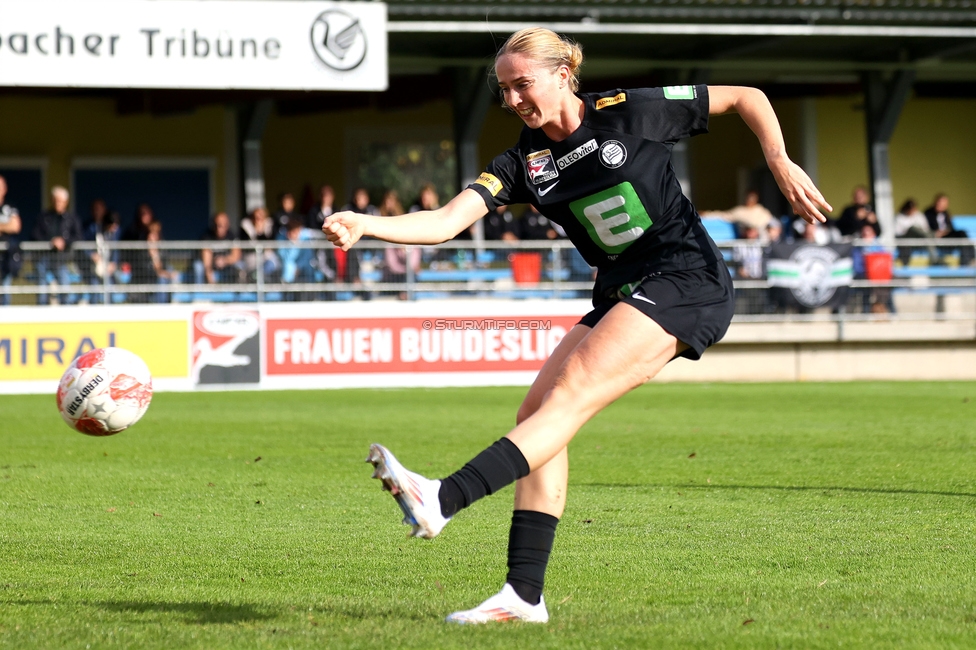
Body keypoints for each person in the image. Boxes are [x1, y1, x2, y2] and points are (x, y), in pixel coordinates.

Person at [323, 27, 829, 624]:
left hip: (686, 280)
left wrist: (778, 158)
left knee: (567, 398)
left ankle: (443, 497)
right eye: (504, 90)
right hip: (622, 290)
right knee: (538, 413)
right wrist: (366, 224)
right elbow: (444, 221)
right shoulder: (522, 163)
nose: (512, 100)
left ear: (564, 74)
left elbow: (747, 96)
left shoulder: (632, 110)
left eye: (522, 84)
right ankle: (523, 595)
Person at [33, 185, 84, 305]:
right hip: (44, 258)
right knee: (42, 290)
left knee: (64, 288)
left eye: (61, 201)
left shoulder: (71, 219)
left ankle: (66, 314)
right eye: (56, 200)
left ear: (66, 202)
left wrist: (64, 241)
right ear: (51, 200)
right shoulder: (43, 217)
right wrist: (51, 241)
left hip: (62, 260)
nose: (58, 203)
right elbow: (35, 235)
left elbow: (78, 236)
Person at [196, 212, 241, 285]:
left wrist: (224, 260)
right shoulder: (207, 237)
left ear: (227, 225)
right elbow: (206, 261)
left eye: (223, 225)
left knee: (240, 265)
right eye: (217, 225)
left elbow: (236, 255)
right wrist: (212, 283)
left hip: (226, 264)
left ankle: (239, 292)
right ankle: (199, 293)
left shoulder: (232, 236)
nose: (219, 228)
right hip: (211, 264)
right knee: (198, 267)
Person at [239, 206, 281, 283]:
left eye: (261, 217)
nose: (258, 220)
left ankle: (257, 276)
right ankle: (255, 277)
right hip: (251, 257)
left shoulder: (270, 226)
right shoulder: (246, 227)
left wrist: (262, 230)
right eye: (256, 217)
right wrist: (256, 231)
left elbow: (271, 244)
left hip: (266, 257)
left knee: (272, 263)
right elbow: (248, 246)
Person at [704, 189, 774, 233]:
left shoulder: (762, 211)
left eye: (753, 198)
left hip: (762, 241)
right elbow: (723, 215)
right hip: (744, 241)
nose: (750, 200)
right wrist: (706, 214)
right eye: (749, 198)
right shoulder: (740, 211)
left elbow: (771, 223)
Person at [0, 175, 22, 305]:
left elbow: (15, 226)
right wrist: (5, 226)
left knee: (5, 289)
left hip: (6, 257)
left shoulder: (10, 207)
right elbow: (10, 225)